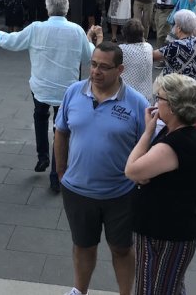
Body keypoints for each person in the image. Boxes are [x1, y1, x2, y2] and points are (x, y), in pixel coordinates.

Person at [0, 0, 102, 192]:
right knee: (61, 130)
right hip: (66, 88)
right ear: (66, 9)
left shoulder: (36, 28)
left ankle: (42, 156)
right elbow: (88, 57)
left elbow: (11, 41)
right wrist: (89, 38)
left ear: (47, 8)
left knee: (40, 116)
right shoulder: (76, 30)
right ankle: (56, 175)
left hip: (41, 85)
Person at [54, 42, 149, 295]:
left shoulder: (137, 103)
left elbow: (147, 145)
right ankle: (79, 290)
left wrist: (141, 180)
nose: (96, 71)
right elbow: (61, 132)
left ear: (120, 70)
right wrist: (61, 171)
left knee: (121, 248)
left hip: (121, 193)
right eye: (93, 64)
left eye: (104, 67)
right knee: (83, 245)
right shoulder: (74, 92)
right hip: (77, 190)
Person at [125, 73, 196, 295]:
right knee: (170, 287)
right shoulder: (180, 134)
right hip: (171, 229)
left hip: (164, 233)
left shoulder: (175, 144)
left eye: (159, 98)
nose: (155, 103)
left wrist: (147, 133)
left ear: (172, 106)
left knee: (153, 290)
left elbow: (132, 170)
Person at [153, 9, 196, 80]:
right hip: (194, 86)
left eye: (175, 24)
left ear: (179, 28)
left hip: (177, 86)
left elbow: (153, 56)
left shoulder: (176, 45)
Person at [119, 19, 154, 103]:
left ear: (124, 34)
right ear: (142, 34)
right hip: (147, 96)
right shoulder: (149, 47)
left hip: (128, 97)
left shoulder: (121, 49)